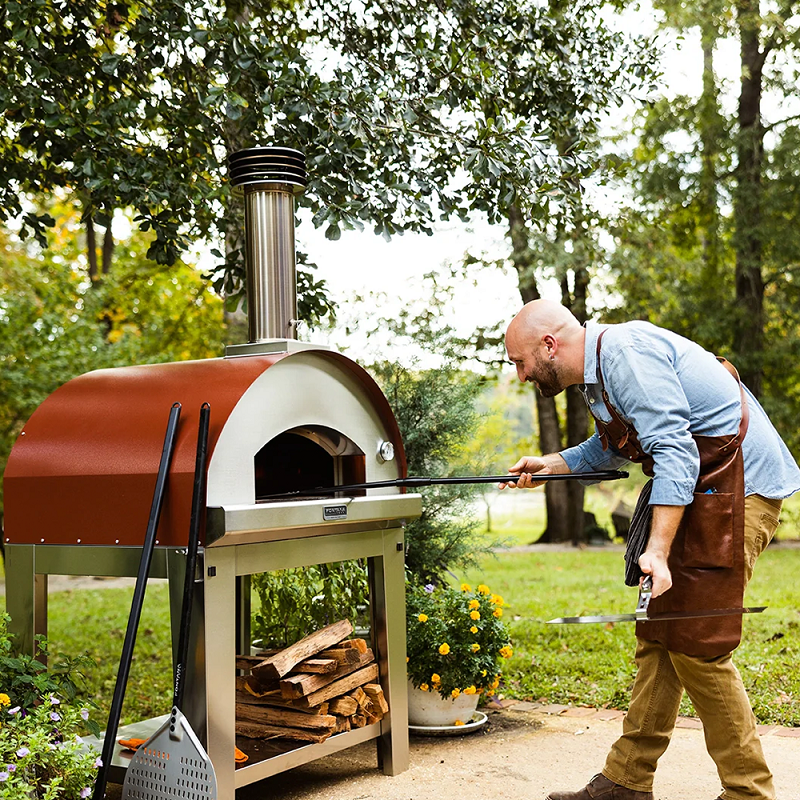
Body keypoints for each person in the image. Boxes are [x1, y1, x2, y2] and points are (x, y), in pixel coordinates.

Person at [502, 299, 800, 800]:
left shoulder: (625, 354)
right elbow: (615, 446)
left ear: (549, 345)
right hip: (703, 491)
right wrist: (553, 462)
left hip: (738, 493)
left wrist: (657, 550)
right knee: (660, 636)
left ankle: (750, 793)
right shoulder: (597, 376)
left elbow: (675, 450)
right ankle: (627, 781)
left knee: (698, 645)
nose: (520, 374)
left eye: (520, 361)